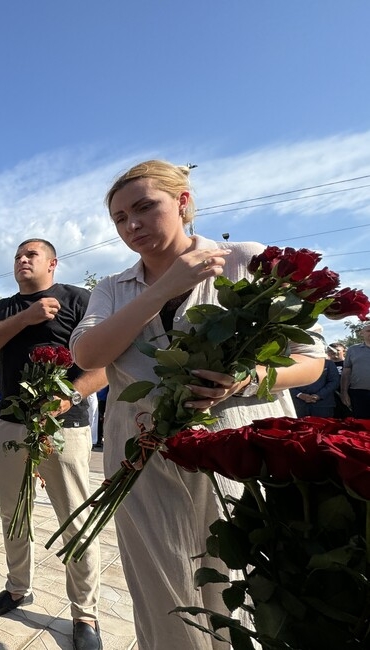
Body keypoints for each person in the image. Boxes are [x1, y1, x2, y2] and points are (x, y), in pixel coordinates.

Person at [70, 160, 323, 650]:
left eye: (145, 207)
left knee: (242, 587)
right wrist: (165, 287)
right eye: (120, 218)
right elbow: (88, 354)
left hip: (236, 452)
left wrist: (249, 378)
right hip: (142, 458)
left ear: (183, 201)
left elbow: (310, 359)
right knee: (160, 589)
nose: (132, 224)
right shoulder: (113, 288)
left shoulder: (244, 260)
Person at [0, 238, 106, 650]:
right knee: (14, 513)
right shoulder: (4, 308)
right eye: (17, 256)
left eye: (31, 255)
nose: (22, 260)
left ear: (52, 263)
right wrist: (26, 317)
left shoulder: (79, 300)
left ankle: (85, 613)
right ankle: (17, 588)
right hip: (9, 425)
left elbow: (107, 362)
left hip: (64, 425)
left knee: (75, 518)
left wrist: (68, 398)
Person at [292, 341, 340, 417]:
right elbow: (286, 383)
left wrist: (318, 395)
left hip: (323, 405)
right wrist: (299, 395)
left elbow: (334, 382)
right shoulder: (292, 364)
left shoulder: (328, 363)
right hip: (299, 405)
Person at [342, 322, 370, 418]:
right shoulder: (353, 350)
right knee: (361, 423)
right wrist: (344, 392)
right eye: (368, 331)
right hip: (359, 394)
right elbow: (346, 372)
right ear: (361, 333)